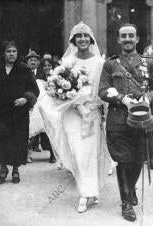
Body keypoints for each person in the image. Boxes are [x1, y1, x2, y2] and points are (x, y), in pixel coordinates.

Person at [38, 22, 107, 213]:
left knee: (89, 154)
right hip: (71, 113)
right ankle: (85, 191)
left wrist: (92, 105)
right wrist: (73, 100)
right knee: (77, 153)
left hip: (90, 112)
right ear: (73, 40)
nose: (83, 39)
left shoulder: (99, 63)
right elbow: (57, 89)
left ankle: (88, 192)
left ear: (91, 39)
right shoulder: (67, 62)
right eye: (79, 36)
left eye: (86, 36)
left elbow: (101, 91)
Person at [98, 23, 153, 222]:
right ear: (118, 40)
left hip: (141, 119)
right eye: (123, 36)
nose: (127, 39)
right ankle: (126, 202)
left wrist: (148, 99)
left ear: (137, 40)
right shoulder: (110, 64)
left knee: (138, 159)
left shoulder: (149, 63)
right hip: (118, 119)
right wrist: (121, 99)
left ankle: (130, 188)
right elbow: (102, 90)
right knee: (123, 160)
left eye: (131, 36)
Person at [0, 40, 39, 185]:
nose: (11, 54)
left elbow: (35, 90)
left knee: (17, 141)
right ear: (3, 53)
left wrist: (25, 98)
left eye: (14, 51)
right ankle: (3, 169)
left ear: (17, 53)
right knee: (0, 141)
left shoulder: (24, 69)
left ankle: (15, 170)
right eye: (8, 51)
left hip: (18, 113)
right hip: (0, 113)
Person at [29, 58, 56, 163]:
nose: (47, 68)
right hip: (42, 104)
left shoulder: (57, 77)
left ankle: (53, 154)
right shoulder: (39, 79)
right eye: (45, 66)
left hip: (53, 105)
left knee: (53, 127)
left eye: (49, 65)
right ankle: (31, 149)